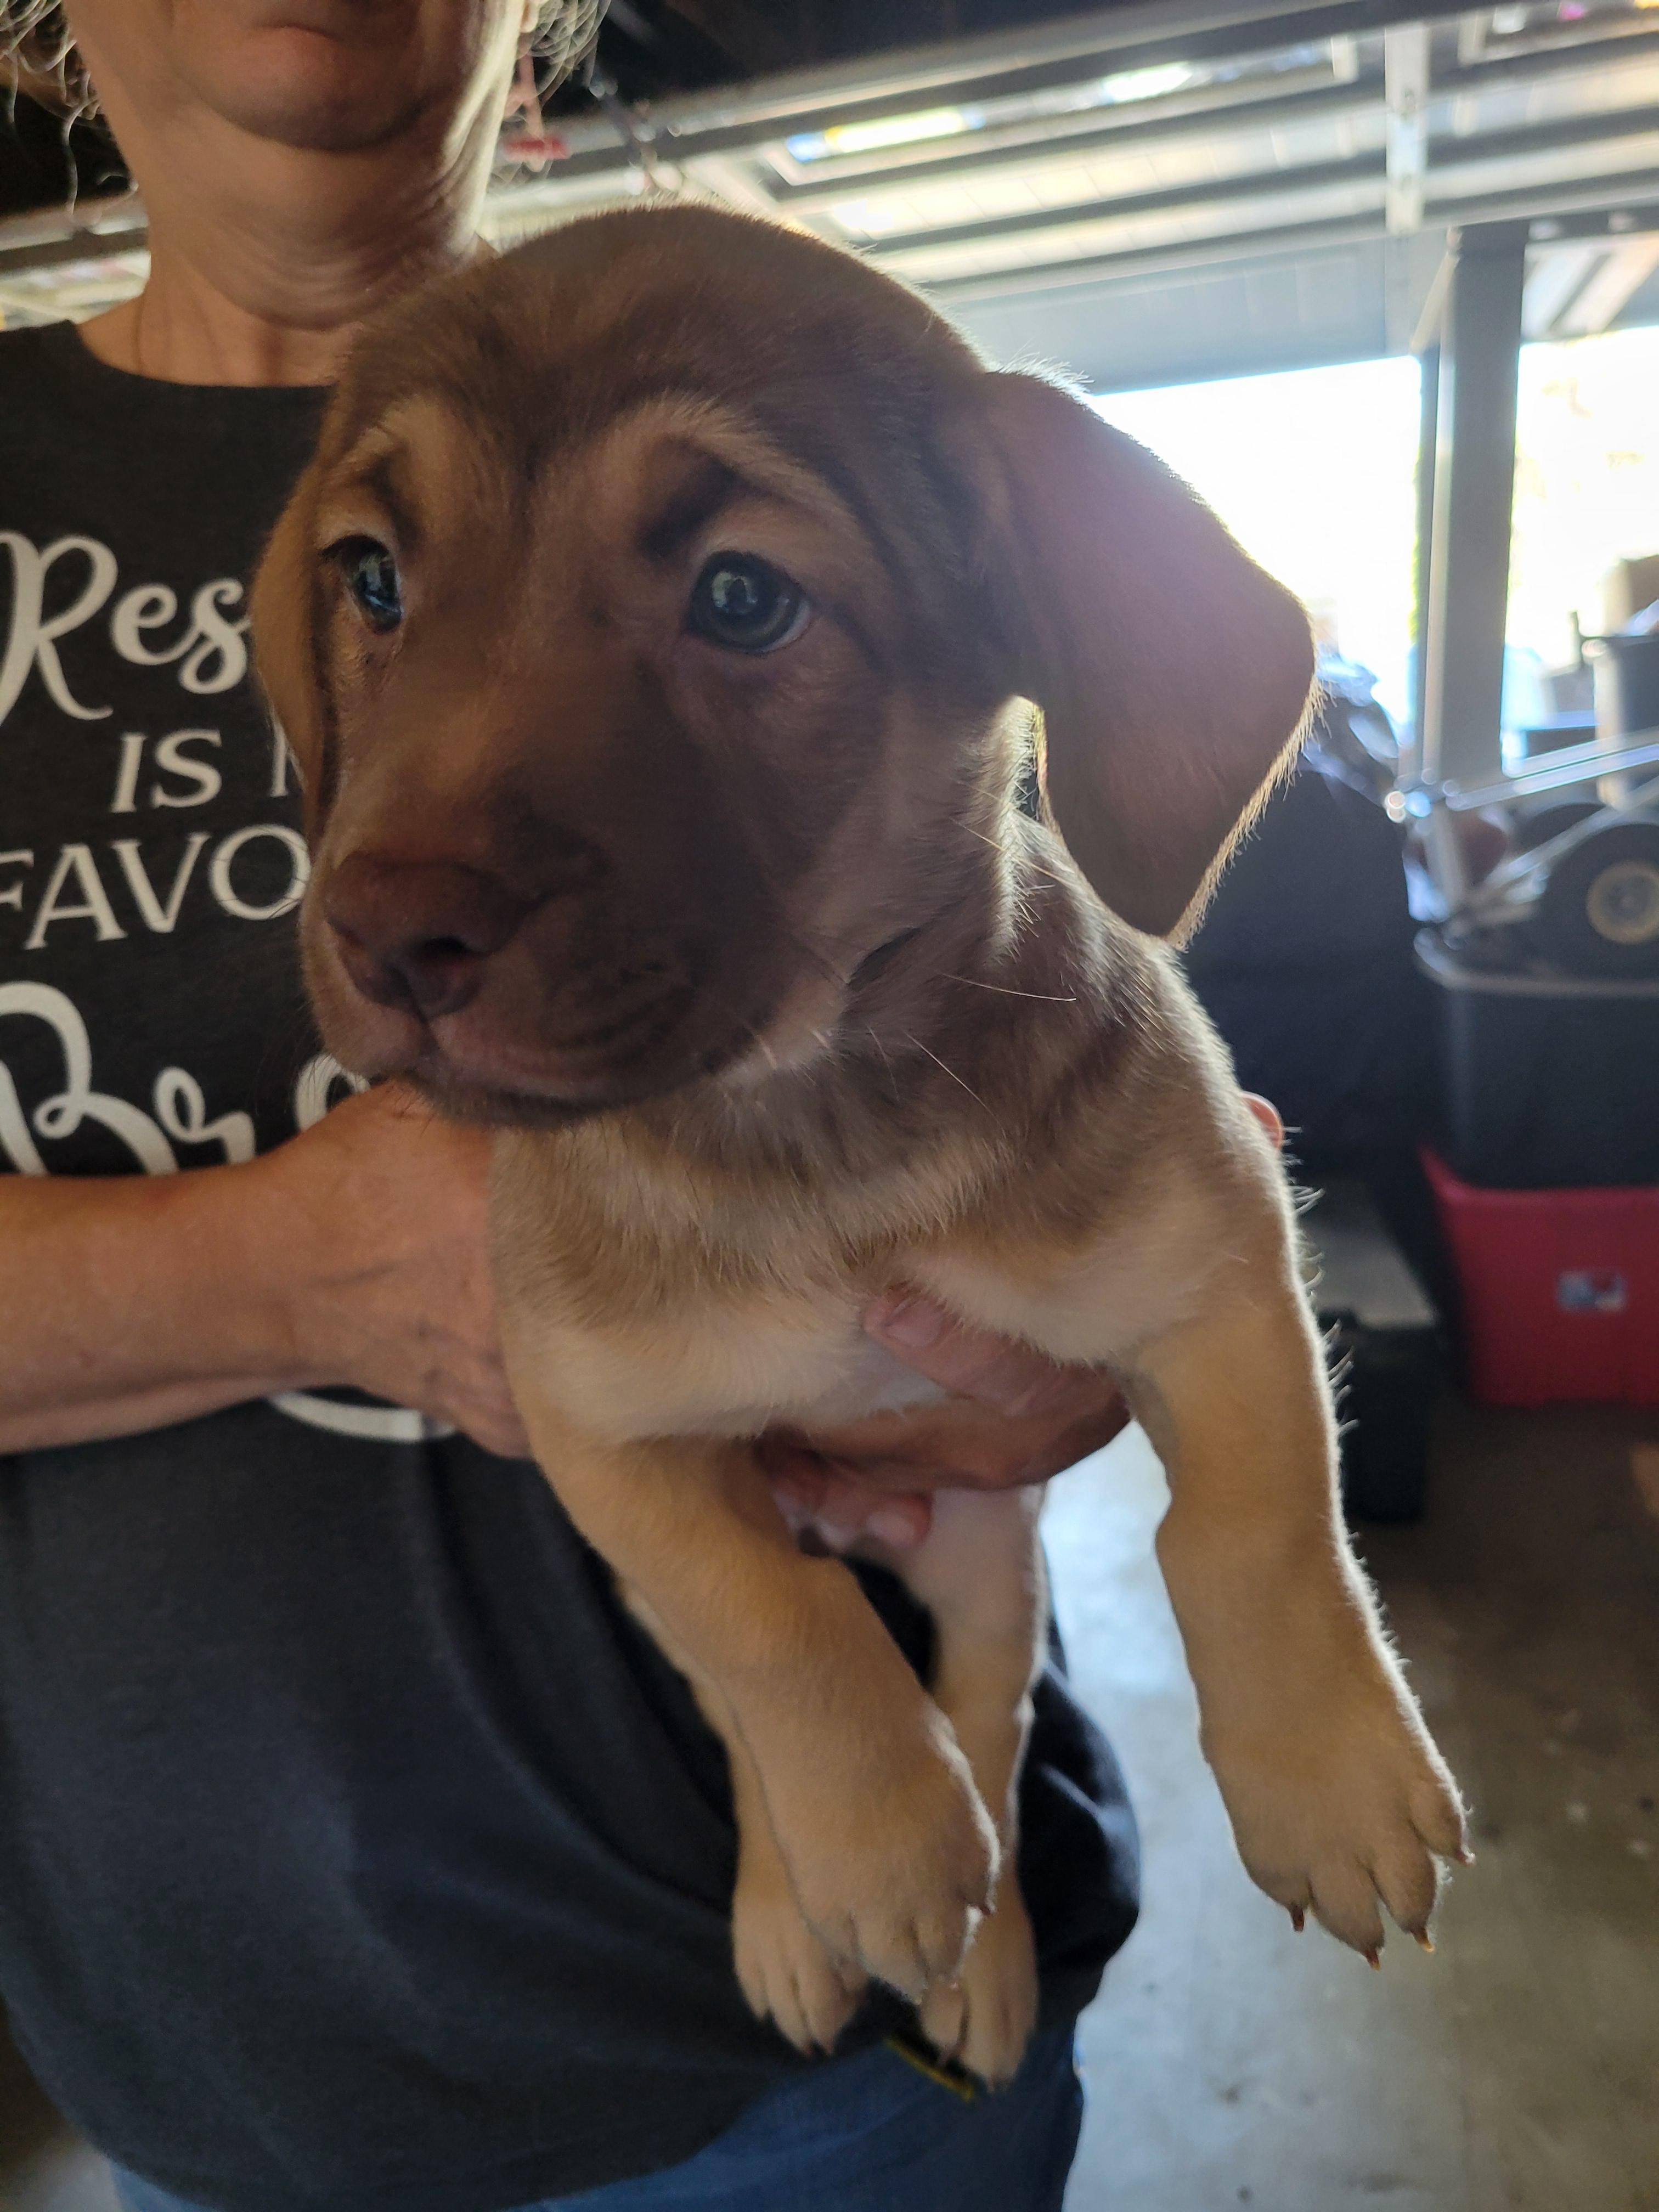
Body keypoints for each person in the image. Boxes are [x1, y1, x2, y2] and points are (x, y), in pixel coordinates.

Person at [0, 7, 1160, 2209]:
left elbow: (1105, 1095)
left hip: (841, 2063)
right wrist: (309, 1270)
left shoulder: (798, 406)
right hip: (210, 2087)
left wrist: (1055, 1334)